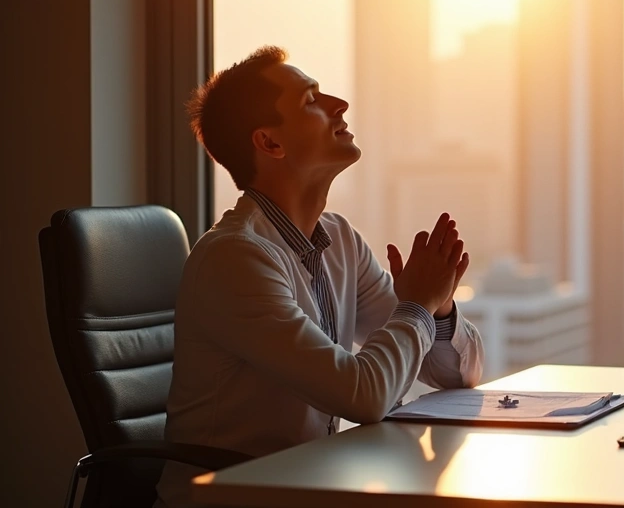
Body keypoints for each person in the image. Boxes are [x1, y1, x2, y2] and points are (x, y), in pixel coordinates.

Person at [156, 46, 484, 507]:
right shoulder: (236, 259)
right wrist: (416, 306)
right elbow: (364, 395)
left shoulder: (340, 240)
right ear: (270, 143)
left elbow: (456, 375)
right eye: (310, 99)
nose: (338, 104)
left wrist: (440, 308)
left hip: (313, 485)